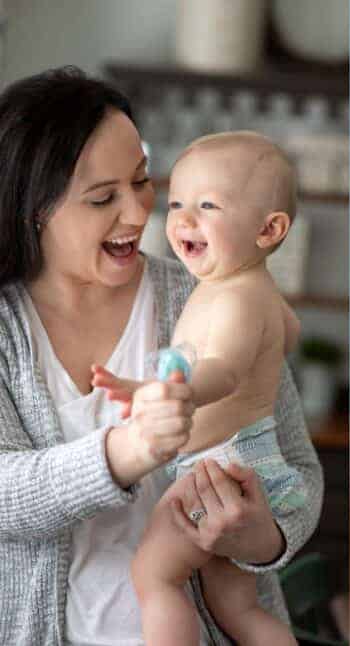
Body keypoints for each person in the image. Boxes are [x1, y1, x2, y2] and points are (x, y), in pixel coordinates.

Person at [0, 67, 323, 645]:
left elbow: (295, 466)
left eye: (143, 181)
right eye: (103, 198)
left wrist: (262, 538)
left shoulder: (211, 293)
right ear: (35, 210)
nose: (137, 213)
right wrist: (129, 449)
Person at [93, 131, 305, 645]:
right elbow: (288, 336)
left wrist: (177, 392)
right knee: (235, 607)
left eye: (208, 205)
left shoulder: (235, 297)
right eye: (179, 203)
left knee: (155, 577)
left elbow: (225, 370)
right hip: (244, 462)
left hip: (219, 467)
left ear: (268, 229)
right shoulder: (250, 289)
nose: (183, 219)